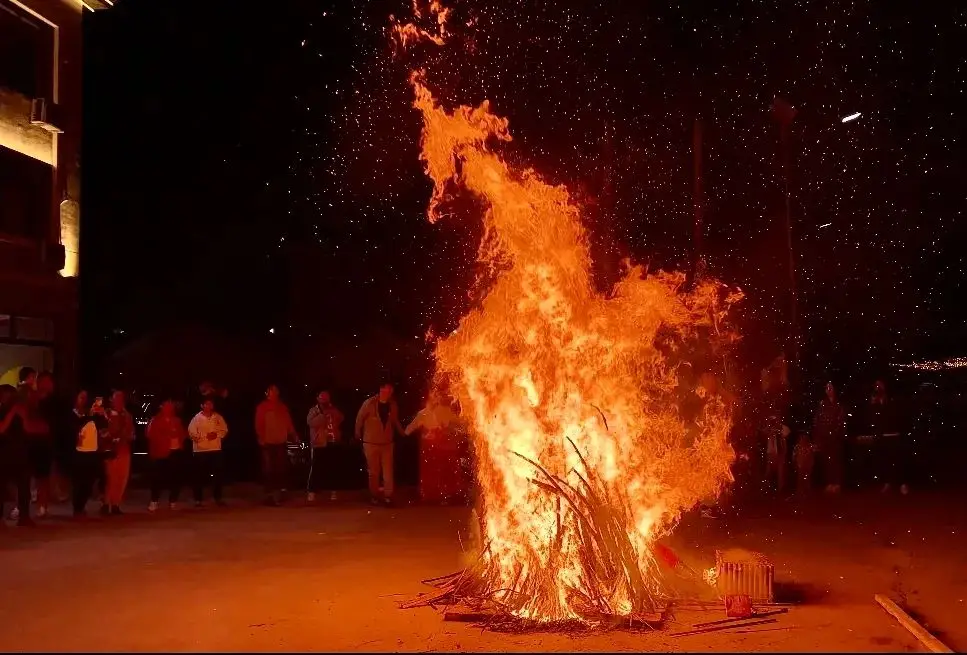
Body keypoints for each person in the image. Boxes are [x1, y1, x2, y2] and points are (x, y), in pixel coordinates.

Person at [405, 392, 467, 505]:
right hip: (430, 450)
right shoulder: (423, 414)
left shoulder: (445, 411)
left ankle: (449, 496)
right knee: (431, 473)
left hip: (445, 449)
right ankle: (431, 497)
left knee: (446, 472)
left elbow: (459, 425)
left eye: (436, 398)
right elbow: (410, 429)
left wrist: (448, 431)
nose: (435, 400)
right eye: (432, 398)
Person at [355, 382, 404, 507]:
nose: (388, 392)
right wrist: (357, 433)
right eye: (385, 390)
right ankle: (374, 496)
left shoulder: (392, 404)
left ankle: (388, 496)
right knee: (373, 472)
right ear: (380, 389)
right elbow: (359, 418)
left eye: (390, 390)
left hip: (387, 443)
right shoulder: (369, 403)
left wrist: (403, 432)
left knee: (388, 471)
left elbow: (394, 420)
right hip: (371, 443)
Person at [255, 384, 298, 506]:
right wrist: (261, 437)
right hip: (268, 441)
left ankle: (281, 492)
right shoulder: (262, 407)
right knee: (268, 468)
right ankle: (269, 495)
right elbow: (258, 424)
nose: (275, 393)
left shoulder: (282, 407)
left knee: (281, 467)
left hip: (280, 441)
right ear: (267, 393)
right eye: (272, 391)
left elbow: (289, 423)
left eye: (276, 391)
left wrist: (294, 435)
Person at [146, 399, 189, 512]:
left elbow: (184, 434)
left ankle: (173, 501)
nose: (169, 409)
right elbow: (150, 435)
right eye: (167, 407)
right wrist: (167, 436)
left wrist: (178, 436)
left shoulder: (177, 420)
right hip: (160, 454)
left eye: (171, 407)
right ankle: (154, 501)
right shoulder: (155, 420)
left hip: (175, 452)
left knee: (176, 478)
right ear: (162, 407)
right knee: (157, 478)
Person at [0, 384, 33, 526]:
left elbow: (27, 429)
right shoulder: (2, 410)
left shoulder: (21, 410)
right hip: (3, 452)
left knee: (24, 486)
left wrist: (23, 415)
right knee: (1, 486)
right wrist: (12, 412)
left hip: (20, 452)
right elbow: (1, 429)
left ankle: (24, 516)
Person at [187, 397, 228, 507]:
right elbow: (191, 432)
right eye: (206, 404)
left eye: (210, 404)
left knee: (217, 475)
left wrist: (216, 434)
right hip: (200, 450)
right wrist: (203, 437)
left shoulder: (218, 417)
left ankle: (218, 498)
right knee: (199, 476)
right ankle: (198, 499)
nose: (209, 406)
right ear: (202, 405)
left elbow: (224, 430)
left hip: (215, 449)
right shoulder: (196, 418)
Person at [868, 380, 907, 495]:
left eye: (880, 385)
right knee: (884, 461)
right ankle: (887, 483)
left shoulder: (892, 400)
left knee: (896, 460)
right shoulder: (875, 402)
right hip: (882, 436)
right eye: (876, 386)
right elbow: (873, 419)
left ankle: (902, 484)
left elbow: (896, 415)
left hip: (894, 435)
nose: (878, 388)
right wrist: (874, 405)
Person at [72, 393, 107, 518]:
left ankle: (81, 506)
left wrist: (102, 414)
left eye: (86, 397)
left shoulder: (91, 414)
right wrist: (90, 415)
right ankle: (77, 508)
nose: (84, 400)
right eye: (81, 397)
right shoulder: (73, 414)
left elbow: (103, 427)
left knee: (90, 481)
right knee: (80, 482)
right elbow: (77, 426)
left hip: (93, 451)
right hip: (79, 452)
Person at [306, 390, 344, 502]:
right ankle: (312, 492)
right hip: (319, 443)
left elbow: (341, 417)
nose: (324, 400)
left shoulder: (333, 409)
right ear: (317, 398)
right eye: (322, 398)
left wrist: (332, 412)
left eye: (326, 398)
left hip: (332, 441)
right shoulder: (314, 411)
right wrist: (323, 415)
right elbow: (310, 422)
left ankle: (333, 491)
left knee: (333, 468)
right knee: (316, 468)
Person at [102, 390, 135, 515]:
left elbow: (130, 432)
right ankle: (106, 503)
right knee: (110, 478)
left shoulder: (127, 415)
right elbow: (103, 431)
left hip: (123, 449)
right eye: (116, 399)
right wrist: (111, 437)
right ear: (112, 400)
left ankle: (116, 503)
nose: (119, 402)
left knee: (122, 478)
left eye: (121, 399)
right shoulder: (107, 414)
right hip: (111, 449)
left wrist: (127, 436)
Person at [812, 381, 847, 494]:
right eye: (827, 388)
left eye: (830, 388)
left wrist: (836, 433)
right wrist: (818, 437)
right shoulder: (822, 404)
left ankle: (837, 483)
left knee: (836, 460)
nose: (829, 390)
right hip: (825, 437)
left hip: (835, 437)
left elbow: (841, 421)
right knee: (827, 460)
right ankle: (830, 482)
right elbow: (817, 421)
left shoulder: (838, 405)